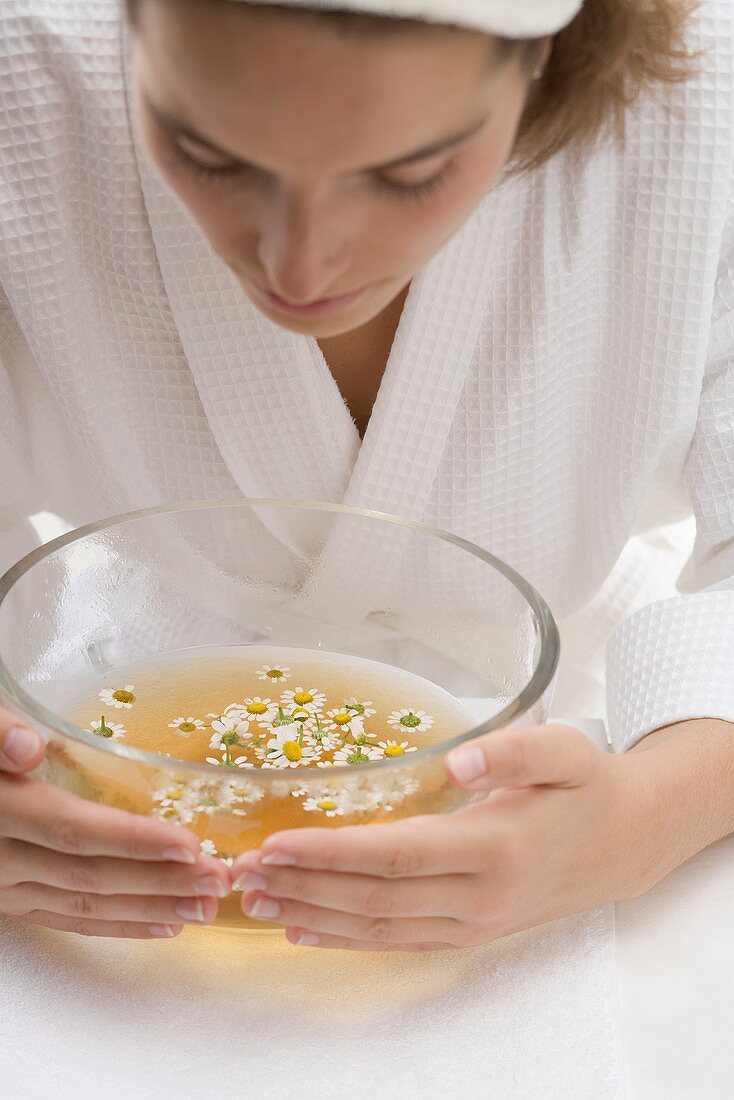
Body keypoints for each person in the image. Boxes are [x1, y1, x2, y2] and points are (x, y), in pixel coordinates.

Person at [0, 0, 732, 950]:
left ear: (550, 62)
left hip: (562, 777)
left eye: (410, 174)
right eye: (208, 153)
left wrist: (646, 815)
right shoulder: (27, 77)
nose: (297, 263)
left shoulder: (705, 114)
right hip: (97, 754)